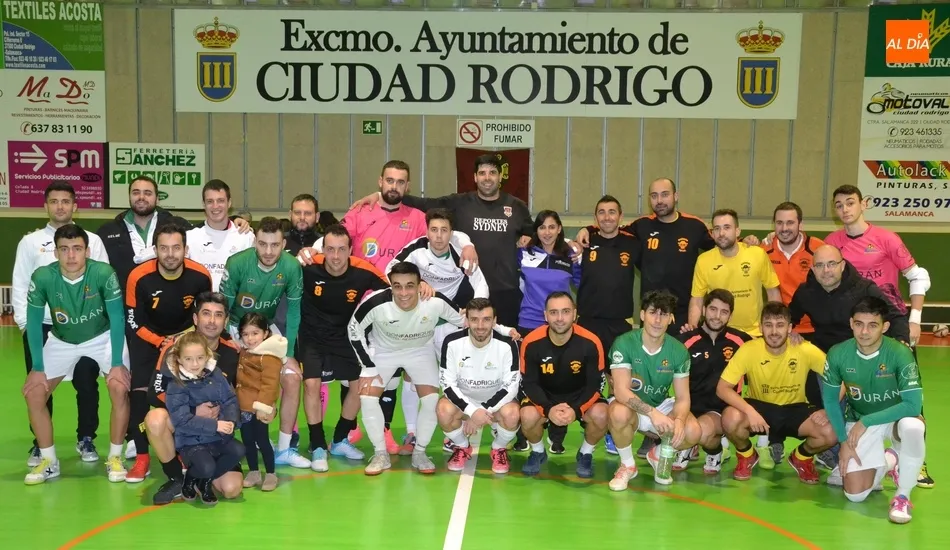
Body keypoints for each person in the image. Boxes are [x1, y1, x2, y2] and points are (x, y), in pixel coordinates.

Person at [308, 161, 476, 454]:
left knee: (395, 371)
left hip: (399, 301)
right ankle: (350, 428)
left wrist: (468, 244)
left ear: (407, 186)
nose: (394, 186)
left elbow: (446, 232)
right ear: (380, 182)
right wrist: (313, 249)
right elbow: (336, 237)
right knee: (359, 367)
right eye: (389, 181)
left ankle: (385, 429)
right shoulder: (361, 212)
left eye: (400, 182)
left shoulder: (416, 217)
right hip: (360, 297)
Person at [349, 262, 516, 475]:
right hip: (383, 351)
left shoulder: (434, 302)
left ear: (421, 285)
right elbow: (353, 328)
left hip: (420, 351)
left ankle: (420, 452)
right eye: (397, 286)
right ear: (390, 285)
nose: (403, 293)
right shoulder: (376, 303)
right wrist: (368, 366)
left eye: (410, 286)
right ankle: (380, 453)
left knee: (430, 401)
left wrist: (504, 329)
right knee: (367, 398)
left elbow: (467, 320)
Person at [824, 184, 934, 489]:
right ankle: (849, 450)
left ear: (863, 204)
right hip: (855, 327)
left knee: (908, 394)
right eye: (839, 204)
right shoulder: (833, 241)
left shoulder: (886, 238)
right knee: (856, 389)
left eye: (850, 203)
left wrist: (914, 318)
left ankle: (918, 461)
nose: (845, 209)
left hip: (890, 323)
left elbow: (918, 275)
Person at [350, 154, 531, 328]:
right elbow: (422, 203)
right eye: (482, 173)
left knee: (506, 342)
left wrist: (529, 236)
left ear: (500, 176)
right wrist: (380, 195)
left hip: (506, 291)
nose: (487, 178)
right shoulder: (459, 203)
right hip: (469, 290)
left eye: (492, 173)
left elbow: (535, 232)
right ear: (475, 177)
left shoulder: (517, 206)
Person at [22, 224, 131, 485]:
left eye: (77, 249)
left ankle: (116, 456)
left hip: (102, 337)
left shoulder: (104, 273)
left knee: (118, 386)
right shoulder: (43, 277)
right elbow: (34, 323)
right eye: (64, 249)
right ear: (56, 252)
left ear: (87, 251)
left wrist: (116, 363)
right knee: (35, 393)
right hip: (62, 340)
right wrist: (37, 367)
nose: (71, 255)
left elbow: (117, 318)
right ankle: (49, 461)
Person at [12, 180, 107, 466]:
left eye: (66, 201)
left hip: (86, 328)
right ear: (46, 205)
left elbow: (104, 282)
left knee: (86, 382)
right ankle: (41, 444)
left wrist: (98, 324)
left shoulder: (92, 240)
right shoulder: (29, 242)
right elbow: (20, 283)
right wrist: (24, 325)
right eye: (54, 201)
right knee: (39, 386)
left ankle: (86, 436)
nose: (60, 206)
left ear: (75, 205)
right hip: (42, 325)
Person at [821, 297, 925, 524]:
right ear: (851, 323)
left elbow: (913, 405)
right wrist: (843, 444)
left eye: (872, 325)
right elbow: (830, 401)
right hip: (858, 418)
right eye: (859, 324)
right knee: (855, 495)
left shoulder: (900, 353)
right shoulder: (838, 353)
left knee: (914, 427)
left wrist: (866, 421)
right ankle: (890, 460)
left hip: (895, 418)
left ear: (885, 327)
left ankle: (903, 496)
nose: (864, 332)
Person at [123, 223, 213, 483]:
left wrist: (184, 341)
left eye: (176, 248)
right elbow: (133, 321)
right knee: (140, 395)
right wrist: (161, 341)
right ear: (155, 250)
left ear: (186, 249)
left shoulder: (200, 276)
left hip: (185, 341)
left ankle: (183, 448)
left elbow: (204, 314)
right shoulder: (138, 276)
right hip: (147, 339)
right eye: (164, 248)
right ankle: (142, 457)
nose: (170, 254)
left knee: (184, 393)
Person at [298, 224, 390, 472]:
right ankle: (317, 444)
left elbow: (394, 289)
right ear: (323, 249)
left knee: (360, 385)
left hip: (346, 335)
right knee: (311, 384)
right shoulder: (308, 266)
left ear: (351, 249)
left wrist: (422, 287)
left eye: (341, 250)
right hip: (312, 336)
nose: (336, 257)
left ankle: (339, 440)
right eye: (330, 249)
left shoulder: (363, 270)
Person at [574, 179, 716, 335]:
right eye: (654, 196)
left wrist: (745, 241)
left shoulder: (694, 225)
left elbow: (720, 243)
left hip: (683, 313)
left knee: (680, 358)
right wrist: (586, 229)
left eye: (665, 194)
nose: (659, 200)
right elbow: (611, 227)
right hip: (650, 311)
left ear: (676, 196)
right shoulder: (641, 226)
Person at [717, 302, 838, 484]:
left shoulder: (805, 349)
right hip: (759, 408)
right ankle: (747, 455)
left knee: (832, 431)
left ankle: (802, 458)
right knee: (729, 418)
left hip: (795, 408)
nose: (774, 332)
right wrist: (750, 411)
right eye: (768, 325)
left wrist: (828, 409)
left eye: (780, 325)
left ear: (790, 328)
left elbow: (839, 380)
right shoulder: (749, 350)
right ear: (760, 327)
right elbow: (722, 388)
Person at [145, 291, 244, 505]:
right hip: (184, 425)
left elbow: (238, 395)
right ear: (195, 318)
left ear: (226, 321)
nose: (211, 321)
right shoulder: (174, 349)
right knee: (155, 419)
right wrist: (192, 411)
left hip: (215, 433)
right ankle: (176, 478)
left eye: (218, 315)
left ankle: (199, 477)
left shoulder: (232, 353)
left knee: (232, 489)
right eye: (206, 313)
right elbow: (155, 391)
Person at [605, 290, 702, 489]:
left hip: (662, 404)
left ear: (671, 318)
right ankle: (628, 465)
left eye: (664, 314)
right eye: (652, 313)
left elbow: (683, 398)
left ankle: (658, 454)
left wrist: (680, 421)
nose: (657, 320)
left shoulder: (679, 351)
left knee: (693, 432)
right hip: (633, 406)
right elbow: (622, 392)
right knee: (618, 413)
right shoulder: (623, 343)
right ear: (642, 315)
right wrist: (653, 414)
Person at [519, 292, 609, 479]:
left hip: (580, 394)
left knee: (602, 414)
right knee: (527, 416)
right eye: (554, 312)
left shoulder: (591, 342)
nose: (560, 318)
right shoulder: (531, 342)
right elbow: (529, 383)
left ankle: (585, 452)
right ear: (545, 315)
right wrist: (548, 409)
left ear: (575, 314)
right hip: (545, 395)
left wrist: (576, 409)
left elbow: (595, 384)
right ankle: (537, 451)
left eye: (565, 311)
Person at [438, 298, 521, 474]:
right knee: (443, 410)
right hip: (465, 401)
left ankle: (498, 448)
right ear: (466, 320)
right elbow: (447, 384)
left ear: (495, 321)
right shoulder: (451, 342)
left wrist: (483, 410)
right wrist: (471, 411)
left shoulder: (507, 344)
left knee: (513, 414)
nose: (480, 325)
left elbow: (511, 386)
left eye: (486, 319)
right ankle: (462, 446)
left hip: (497, 403)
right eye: (474, 319)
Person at [165, 332, 245, 506]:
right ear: (178, 359)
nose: (195, 364)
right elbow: (181, 421)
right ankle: (194, 477)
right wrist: (215, 425)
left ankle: (202, 481)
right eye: (188, 359)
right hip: (191, 441)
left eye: (200, 358)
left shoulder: (215, 374)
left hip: (216, 437)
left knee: (239, 450)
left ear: (207, 356)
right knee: (206, 466)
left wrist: (230, 420)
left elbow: (230, 400)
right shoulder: (176, 384)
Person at [677, 289, 752, 474]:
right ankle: (688, 443)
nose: (717, 316)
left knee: (700, 431)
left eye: (724, 312)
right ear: (703, 310)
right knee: (671, 426)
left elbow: (771, 349)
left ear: (730, 315)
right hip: (689, 409)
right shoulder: (685, 340)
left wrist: (793, 336)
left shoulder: (741, 341)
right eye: (713, 309)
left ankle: (714, 452)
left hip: (722, 411)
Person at [689, 209, 782, 337]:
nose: (721, 233)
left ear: (737, 231)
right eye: (716, 228)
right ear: (712, 233)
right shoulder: (703, 260)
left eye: (727, 227)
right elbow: (697, 300)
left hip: (754, 333)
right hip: (719, 334)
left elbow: (773, 292)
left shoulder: (757, 254)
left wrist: (774, 326)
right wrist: (693, 332)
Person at [235, 313, 285, 492]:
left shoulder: (269, 356)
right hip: (243, 407)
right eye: (245, 334)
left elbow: (270, 385)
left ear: (265, 333)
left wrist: (264, 407)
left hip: (258, 409)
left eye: (255, 333)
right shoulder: (245, 351)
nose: (250, 338)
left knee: (262, 441)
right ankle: (254, 471)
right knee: (247, 440)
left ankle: (271, 473)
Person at [185, 180, 255, 291]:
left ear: (229, 203)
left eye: (220, 201)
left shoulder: (245, 236)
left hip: (233, 306)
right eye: (210, 201)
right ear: (204, 204)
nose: (215, 206)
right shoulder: (190, 237)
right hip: (200, 305)